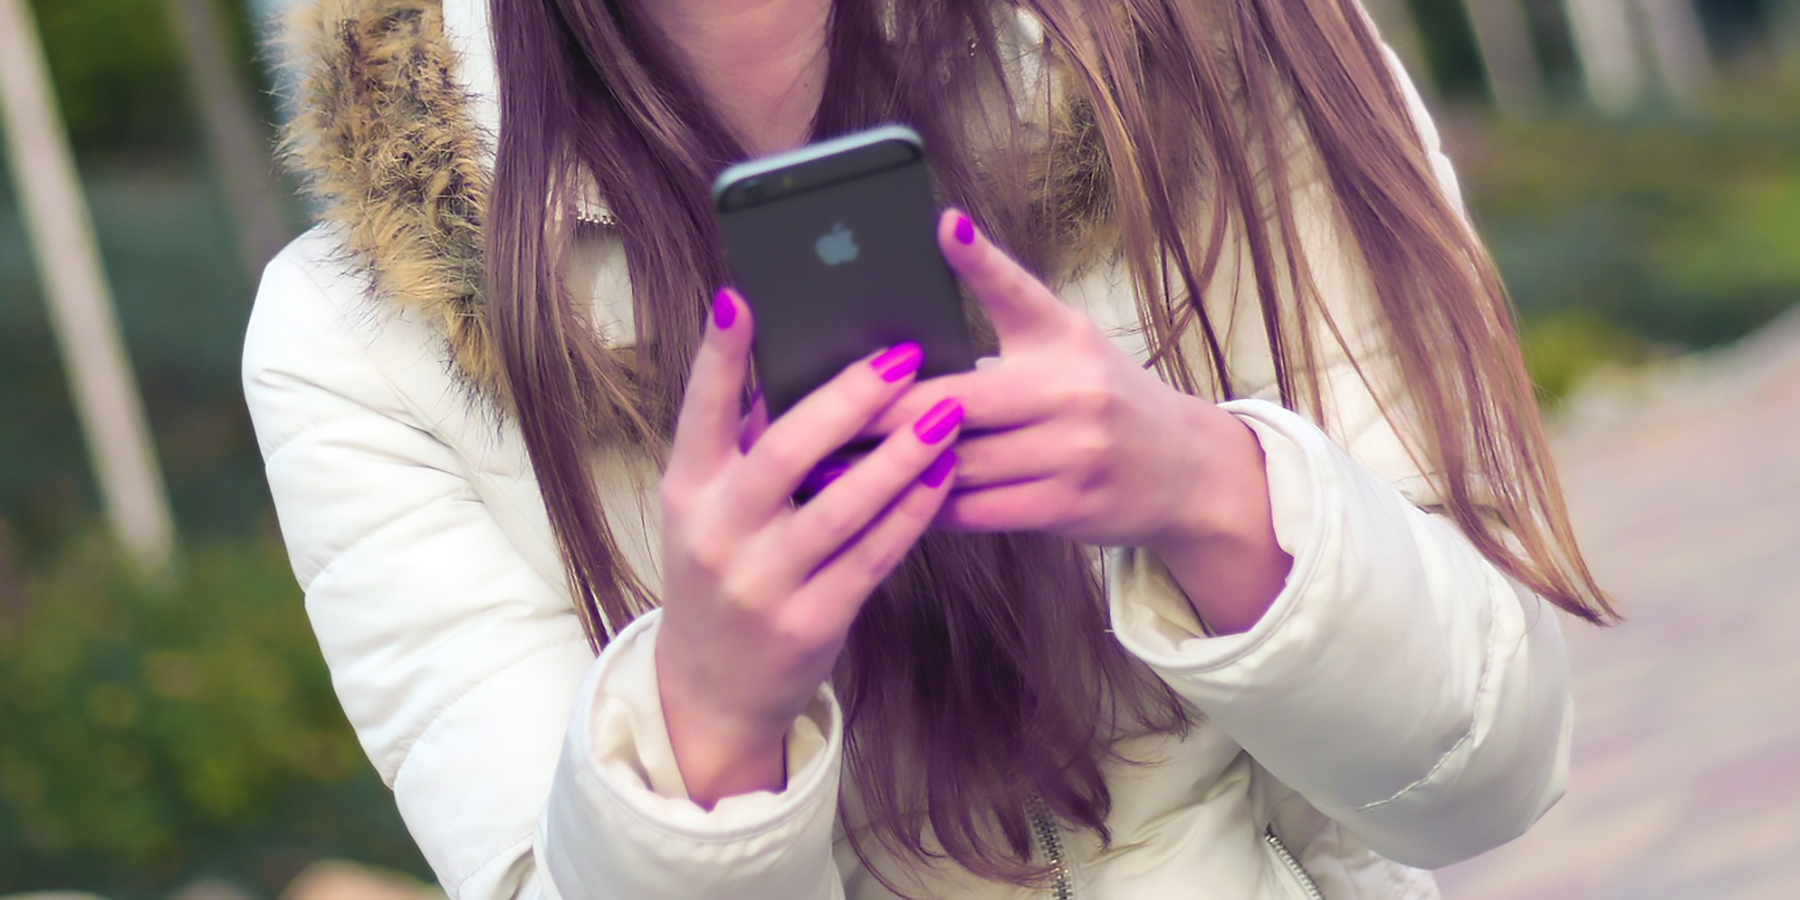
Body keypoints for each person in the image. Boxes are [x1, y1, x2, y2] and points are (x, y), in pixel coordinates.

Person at [245, 0, 1614, 896]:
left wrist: (1212, 496)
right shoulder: (355, 339)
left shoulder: (1214, 46)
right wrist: (707, 721)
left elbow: (1487, 770)